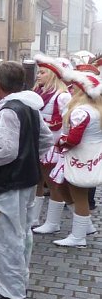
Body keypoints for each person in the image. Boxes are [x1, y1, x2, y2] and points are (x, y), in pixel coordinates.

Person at [0, 61, 54, 299]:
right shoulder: (30, 107)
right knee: (22, 233)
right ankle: (13, 280)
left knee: (10, 236)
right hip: (26, 179)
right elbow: (45, 140)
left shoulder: (9, 110)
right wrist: (28, 158)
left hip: (9, 181)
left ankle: (11, 289)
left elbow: (5, 151)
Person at [44, 69, 102, 247]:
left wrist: (60, 142)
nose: (71, 89)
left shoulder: (82, 111)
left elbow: (73, 139)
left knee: (79, 195)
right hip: (86, 155)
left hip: (78, 156)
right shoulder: (95, 109)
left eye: (75, 87)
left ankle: (78, 236)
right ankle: (87, 226)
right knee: (62, 186)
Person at [29, 55, 72, 231]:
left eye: (42, 72)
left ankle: (52, 223)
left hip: (53, 146)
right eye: (38, 72)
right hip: (39, 144)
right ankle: (33, 218)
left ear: (53, 75)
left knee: (54, 184)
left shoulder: (62, 97)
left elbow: (68, 123)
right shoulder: (37, 93)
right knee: (36, 181)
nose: (38, 75)